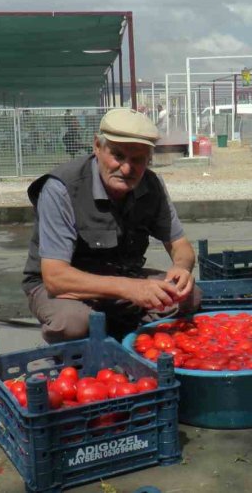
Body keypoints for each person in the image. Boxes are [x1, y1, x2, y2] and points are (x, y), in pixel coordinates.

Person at [23, 108, 200, 343]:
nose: (126, 169)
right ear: (97, 146)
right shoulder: (62, 189)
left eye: (137, 160)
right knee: (74, 323)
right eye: (117, 156)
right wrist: (130, 289)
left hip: (122, 277)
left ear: (149, 158)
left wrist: (182, 268)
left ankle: (125, 335)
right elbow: (56, 278)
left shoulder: (151, 185)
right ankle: (99, 341)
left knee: (189, 296)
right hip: (64, 289)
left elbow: (181, 246)